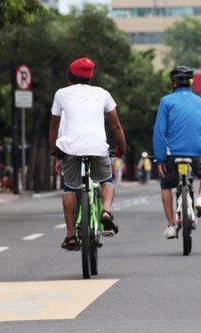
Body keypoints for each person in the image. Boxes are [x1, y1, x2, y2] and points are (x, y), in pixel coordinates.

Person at [49, 57, 127, 250]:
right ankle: (106, 212)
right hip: (98, 147)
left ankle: (70, 235)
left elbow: (54, 125)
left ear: (70, 78)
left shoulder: (61, 94)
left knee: (70, 188)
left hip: (70, 149)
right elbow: (116, 124)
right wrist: (123, 148)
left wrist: (54, 150)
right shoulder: (103, 93)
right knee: (106, 181)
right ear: (91, 78)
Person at [153, 65, 201, 239]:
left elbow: (159, 132)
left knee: (166, 186)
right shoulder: (200, 102)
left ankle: (171, 225)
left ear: (173, 83)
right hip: (196, 153)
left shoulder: (166, 101)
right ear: (190, 83)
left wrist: (160, 158)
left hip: (172, 154)